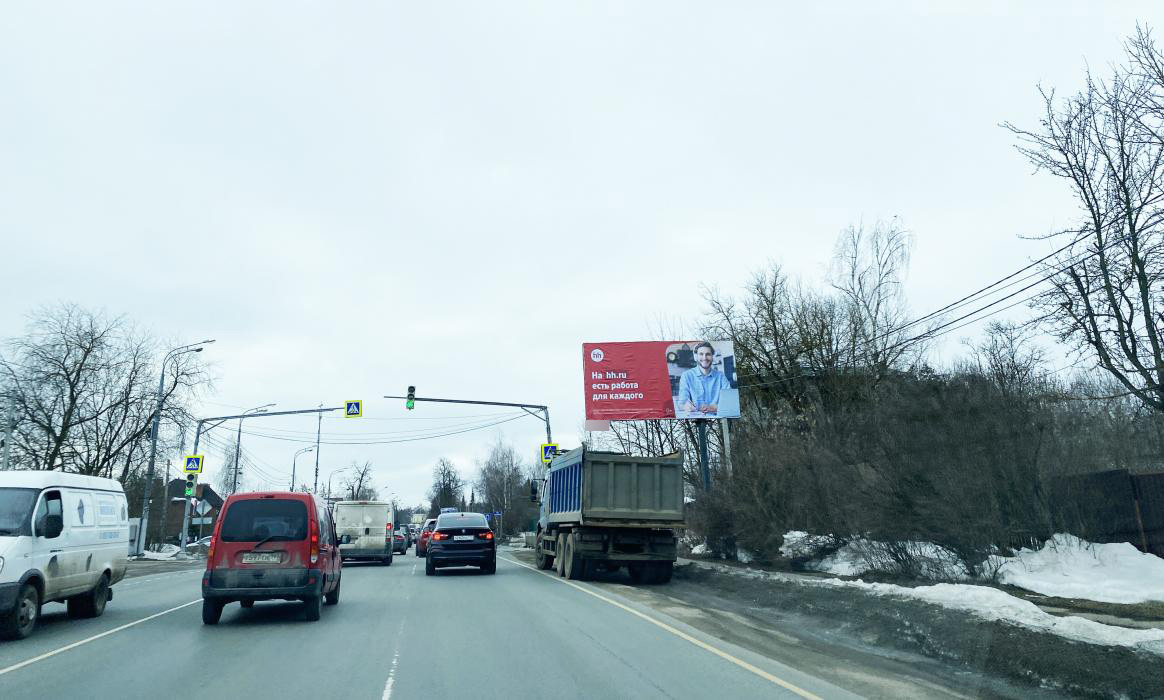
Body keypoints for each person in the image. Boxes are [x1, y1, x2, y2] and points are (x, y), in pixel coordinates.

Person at [677, 342, 731, 415]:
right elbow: (681, 404)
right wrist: (687, 406)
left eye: (708, 354)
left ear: (712, 356)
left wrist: (714, 407)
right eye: (701, 354)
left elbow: (729, 402)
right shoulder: (686, 375)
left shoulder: (721, 376)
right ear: (696, 357)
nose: (704, 358)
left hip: (717, 418)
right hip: (695, 419)